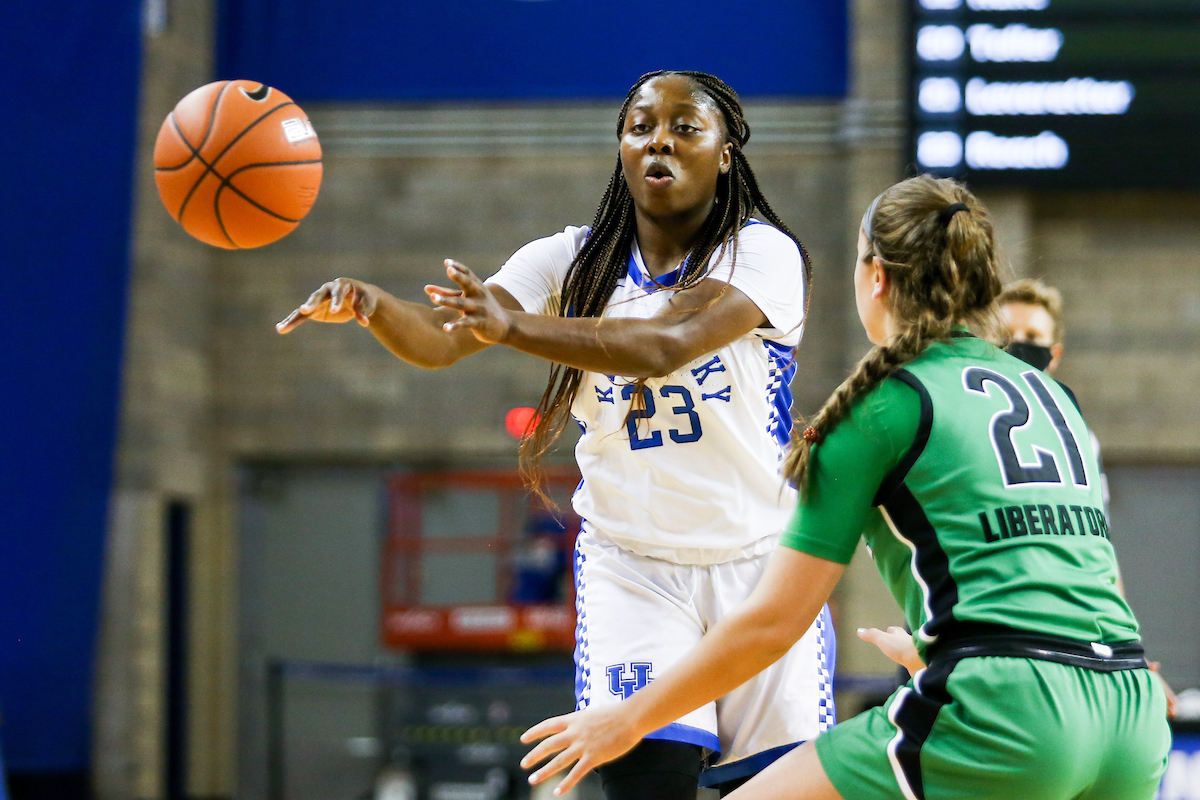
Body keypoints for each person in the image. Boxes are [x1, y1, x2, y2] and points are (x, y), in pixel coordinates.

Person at [520, 174, 1171, 800]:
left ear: (876, 277)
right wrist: (933, 645)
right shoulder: (1055, 396)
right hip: (1131, 717)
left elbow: (773, 625)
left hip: (1010, 706)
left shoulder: (879, 410)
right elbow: (1077, 583)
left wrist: (627, 719)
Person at [277, 71, 835, 798]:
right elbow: (442, 342)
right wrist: (375, 305)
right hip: (636, 570)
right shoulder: (568, 260)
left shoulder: (762, 253)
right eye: (640, 126)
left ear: (726, 154)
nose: (659, 139)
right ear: (622, 146)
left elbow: (666, 342)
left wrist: (512, 326)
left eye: (686, 127)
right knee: (647, 784)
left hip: (761, 563)